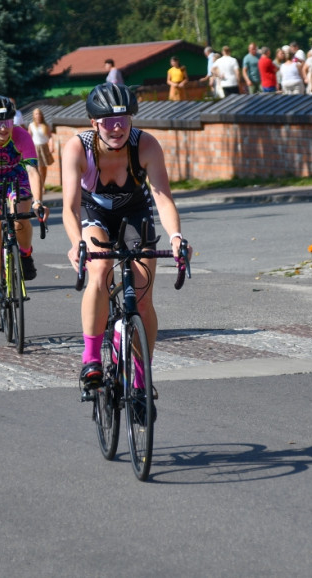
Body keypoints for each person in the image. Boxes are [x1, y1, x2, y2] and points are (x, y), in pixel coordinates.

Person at [61, 82, 190, 419]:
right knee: (100, 272)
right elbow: (70, 208)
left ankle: (141, 379)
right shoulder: (77, 148)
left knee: (143, 295)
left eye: (123, 120)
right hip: (94, 213)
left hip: (135, 212)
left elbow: (162, 196)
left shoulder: (145, 144)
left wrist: (176, 237)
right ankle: (91, 359)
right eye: (107, 121)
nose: (117, 127)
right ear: (93, 123)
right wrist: (76, 242)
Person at [0, 94, 46, 331]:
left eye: (8, 122)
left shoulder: (22, 136)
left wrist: (38, 202)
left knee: (21, 218)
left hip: (17, 179)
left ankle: (24, 253)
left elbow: (33, 171)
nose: (3, 128)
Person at [28, 108, 56, 196]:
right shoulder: (31, 125)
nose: (38, 115)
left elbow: (50, 136)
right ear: (33, 115)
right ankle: (39, 186)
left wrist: (51, 145)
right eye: (36, 114)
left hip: (44, 147)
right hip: (36, 147)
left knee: (44, 167)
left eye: (39, 113)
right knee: (39, 167)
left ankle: (42, 184)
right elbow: (28, 138)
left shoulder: (45, 125)